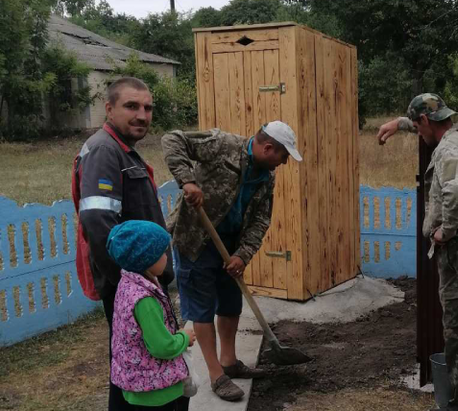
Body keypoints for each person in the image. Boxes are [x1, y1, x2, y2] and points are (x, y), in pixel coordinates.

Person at [161, 121, 302, 401]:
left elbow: (261, 219)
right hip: (197, 240)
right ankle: (216, 375)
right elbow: (172, 139)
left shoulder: (266, 175)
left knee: (230, 305)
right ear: (268, 147)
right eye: (283, 157)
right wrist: (187, 181)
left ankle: (229, 361)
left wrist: (243, 254)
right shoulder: (222, 145)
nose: (283, 163)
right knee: (201, 309)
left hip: (230, 246)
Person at [377, 94, 458, 411]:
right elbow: (427, 122)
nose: (418, 134)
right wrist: (399, 123)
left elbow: (455, 194)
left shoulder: (448, 149)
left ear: (426, 122)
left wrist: (447, 230)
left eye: (417, 128)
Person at [71, 77, 178, 411]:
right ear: (109, 108)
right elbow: (98, 222)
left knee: (129, 361)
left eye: (147, 108)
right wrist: (130, 285)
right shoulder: (105, 149)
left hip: (136, 281)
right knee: (138, 363)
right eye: (131, 106)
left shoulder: (120, 148)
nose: (142, 115)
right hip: (128, 283)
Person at [107, 220, 196, 411]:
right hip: (156, 390)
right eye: (162, 252)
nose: (166, 256)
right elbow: (161, 347)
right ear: (146, 259)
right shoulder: (145, 300)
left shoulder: (127, 284)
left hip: (137, 384)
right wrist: (183, 338)